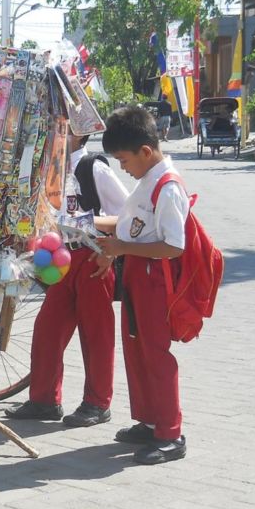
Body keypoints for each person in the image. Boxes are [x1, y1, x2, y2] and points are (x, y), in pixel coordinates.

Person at [5, 133, 129, 427]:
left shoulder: (92, 167)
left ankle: (98, 403)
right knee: (47, 329)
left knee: (96, 334)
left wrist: (111, 252)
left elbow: (128, 215)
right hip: (60, 259)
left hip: (93, 259)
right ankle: (44, 399)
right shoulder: (50, 167)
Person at [96, 106, 190, 465]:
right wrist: (89, 223)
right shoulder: (147, 181)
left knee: (155, 354)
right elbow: (128, 222)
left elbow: (173, 245)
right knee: (136, 351)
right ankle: (150, 420)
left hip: (154, 280)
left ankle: (170, 432)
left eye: (123, 159)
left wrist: (121, 247)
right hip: (137, 273)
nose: (122, 167)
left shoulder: (168, 187)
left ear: (145, 152)